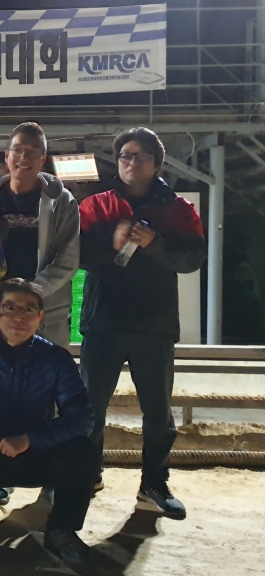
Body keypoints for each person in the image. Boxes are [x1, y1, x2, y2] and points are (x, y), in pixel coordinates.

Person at [79, 127, 206, 520]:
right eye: (126, 155)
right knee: (89, 408)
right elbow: (77, 255)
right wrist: (111, 244)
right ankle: (85, 475)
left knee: (158, 412)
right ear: (118, 161)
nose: (133, 162)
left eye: (143, 155)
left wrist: (156, 245)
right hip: (103, 322)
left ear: (157, 163)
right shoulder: (96, 205)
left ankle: (154, 483)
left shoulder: (179, 208)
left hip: (155, 324)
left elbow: (192, 259)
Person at [0, 279, 97, 565]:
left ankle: (61, 529)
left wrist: (30, 439)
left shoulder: (56, 359)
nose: (19, 317)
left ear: (40, 317)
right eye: (10, 308)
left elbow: (82, 418)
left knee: (83, 450)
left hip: (35, 455)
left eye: (28, 310)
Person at [0, 122, 80, 347]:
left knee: (46, 369)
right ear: (7, 156)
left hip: (45, 311)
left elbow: (68, 259)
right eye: (17, 150)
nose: (24, 157)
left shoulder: (62, 201)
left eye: (32, 152)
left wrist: (32, 291)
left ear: (42, 159)